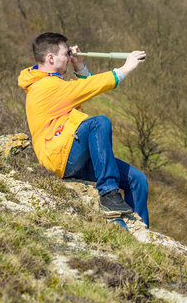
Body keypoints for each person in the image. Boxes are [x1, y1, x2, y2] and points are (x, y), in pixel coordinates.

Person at [18, 32, 149, 228]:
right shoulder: (44, 87)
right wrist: (125, 68)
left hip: (71, 151)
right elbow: (88, 87)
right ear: (51, 58)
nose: (68, 58)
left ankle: (139, 229)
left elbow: (83, 89)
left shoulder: (52, 81)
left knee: (137, 179)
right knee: (99, 123)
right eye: (65, 54)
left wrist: (79, 65)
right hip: (58, 158)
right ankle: (109, 194)